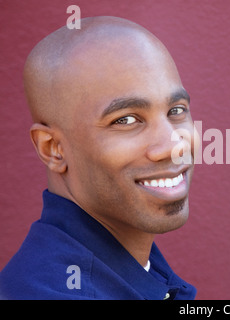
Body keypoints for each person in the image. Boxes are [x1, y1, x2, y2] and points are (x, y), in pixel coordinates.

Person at [0, 16, 198, 300]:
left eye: (176, 111)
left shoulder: (138, 273)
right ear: (53, 148)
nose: (172, 146)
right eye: (127, 119)